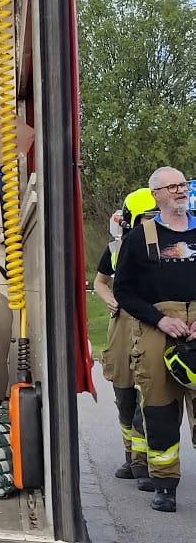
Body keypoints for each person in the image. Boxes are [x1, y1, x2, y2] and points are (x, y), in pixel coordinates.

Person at [112, 168, 196, 511]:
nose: (180, 191)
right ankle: (164, 484)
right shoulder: (139, 238)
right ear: (156, 195)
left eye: (182, 185)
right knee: (159, 408)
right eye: (171, 187)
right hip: (156, 328)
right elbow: (123, 291)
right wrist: (159, 319)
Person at [97, 192, 152, 481]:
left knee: (148, 397)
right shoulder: (116, 248)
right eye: (147, 218)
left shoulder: (169, 248)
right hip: (122, 326)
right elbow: (100, 281)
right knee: (125, 396)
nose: (152, 224)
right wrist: (109, 298)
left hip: (151, 324)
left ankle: (144, 463)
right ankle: (131, 457)